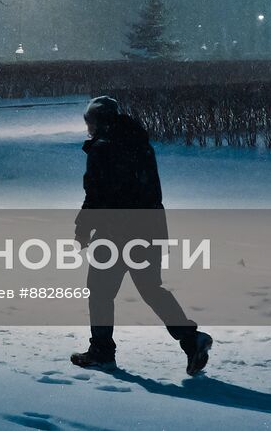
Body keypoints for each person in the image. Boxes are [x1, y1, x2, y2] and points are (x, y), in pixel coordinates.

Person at [70, 95, 212, 375]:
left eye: (90, 122)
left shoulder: (103, 148)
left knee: (99, 291)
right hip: (151, 226)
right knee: (150, 288)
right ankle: (190, 339)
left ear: (99, 121)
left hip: (117, 232)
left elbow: (97, 195)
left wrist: (83, 228)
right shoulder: (139, 142)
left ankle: (101, 352)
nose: (88, 128)